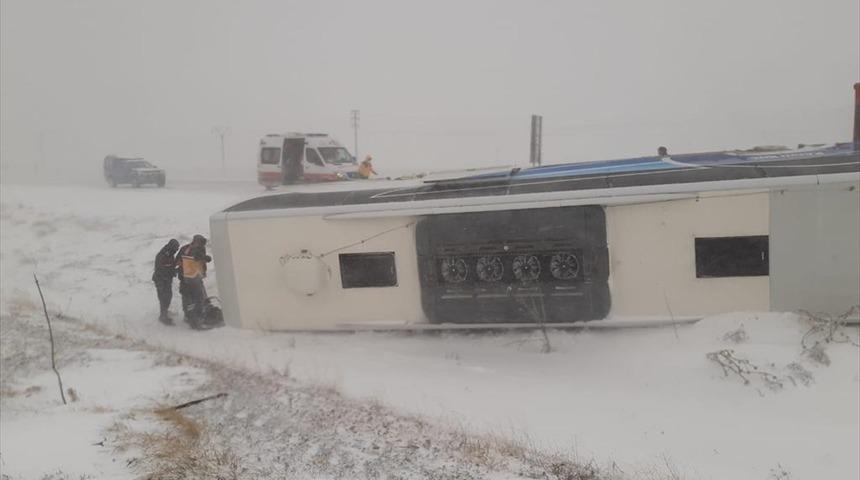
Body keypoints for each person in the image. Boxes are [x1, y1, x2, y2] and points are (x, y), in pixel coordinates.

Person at [176, 234, 212, 329]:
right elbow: (179, 261)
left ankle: (190, 316)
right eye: (200, 244)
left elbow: (200, 259)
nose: (202, 246)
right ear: (195, 241)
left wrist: (204, 258)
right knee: (194, 298)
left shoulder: (200, 249)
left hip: (196, 277)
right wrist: (190, 261)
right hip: (187, 278)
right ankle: (195, 320)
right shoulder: (186, 249)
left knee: (192, 297)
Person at [152, 239, 179, 325]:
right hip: (161, 280)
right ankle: (163, 316)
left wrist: (175, 269)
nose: (176, 250)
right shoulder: (161, 255)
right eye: (176, 249)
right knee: (163, 298)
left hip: (167, 280)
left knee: (168, 296)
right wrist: (172, 271)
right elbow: (160, 270)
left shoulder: (170, 254)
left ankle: (165, 312)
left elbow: (171, 265)